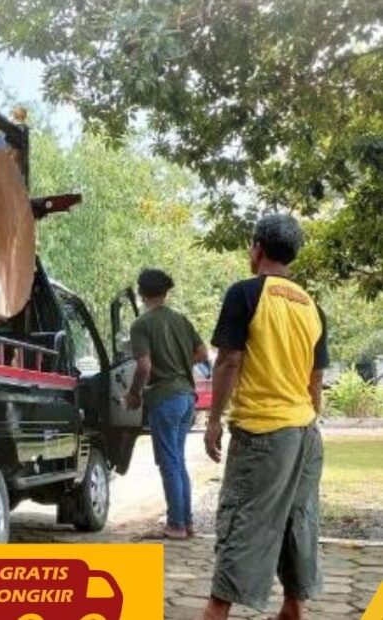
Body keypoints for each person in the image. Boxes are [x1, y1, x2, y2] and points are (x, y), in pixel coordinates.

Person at [202, 214, 328, 620]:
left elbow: (228, 361)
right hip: (305, 433)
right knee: (296, 521)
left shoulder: (245, 294)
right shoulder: (311, 306)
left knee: (243, 522)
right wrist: (307, 422)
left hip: (263, 433)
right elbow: (315, 378)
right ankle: (293, 607)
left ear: (256, 249)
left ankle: (217, 609)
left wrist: (213, 420)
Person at [125, 268, 207, 539]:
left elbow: (144, 366)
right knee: (177, 460)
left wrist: (134, 393)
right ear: (165, 292)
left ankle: (176, 525)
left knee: (169, 462)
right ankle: (187, 522)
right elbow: (202, 353)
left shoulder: (141, 324)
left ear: (141, 293)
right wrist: (180, 364)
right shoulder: (180, 320)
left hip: (164, 398)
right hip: (187, 397)